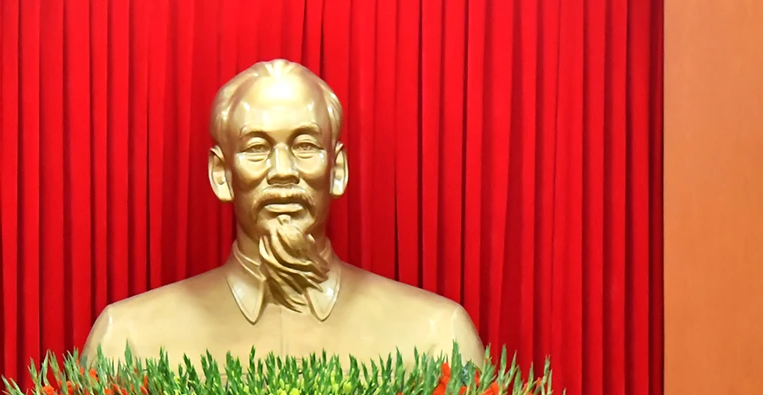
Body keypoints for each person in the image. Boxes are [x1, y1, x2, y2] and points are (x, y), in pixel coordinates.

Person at [84, 60, 483, 365]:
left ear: (337, 169)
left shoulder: (435, 338)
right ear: (221, 174)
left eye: (305, 145)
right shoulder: (128, 342)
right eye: (256, 148)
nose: (283, 171)